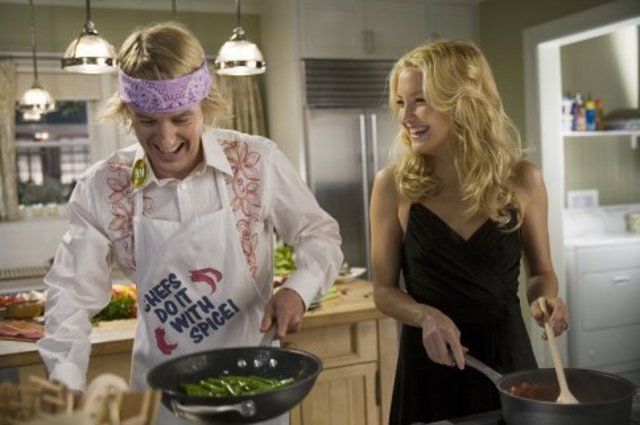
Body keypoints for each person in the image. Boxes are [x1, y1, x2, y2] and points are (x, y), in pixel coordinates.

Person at [37, 22, 343, 424]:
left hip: (254, 394)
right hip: (161, 401)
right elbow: (70, 293)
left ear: (205, 105)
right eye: (148, 121)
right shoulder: (104, 185)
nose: (166, 140)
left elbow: (319, 235)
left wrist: (298, 291)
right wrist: (67, 380)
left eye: (181, 118)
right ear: (128, 114)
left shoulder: (255, 161)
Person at [369, 39, 570, 424]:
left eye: (420, 101)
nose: (406, 116)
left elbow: (541, 273)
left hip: (508, 364)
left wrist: (546, 300)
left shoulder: (523, 179)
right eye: (400, 102)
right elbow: (383, 290)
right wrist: (424, 315)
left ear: (463, 100)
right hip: (428, 367)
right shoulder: (392, 185)